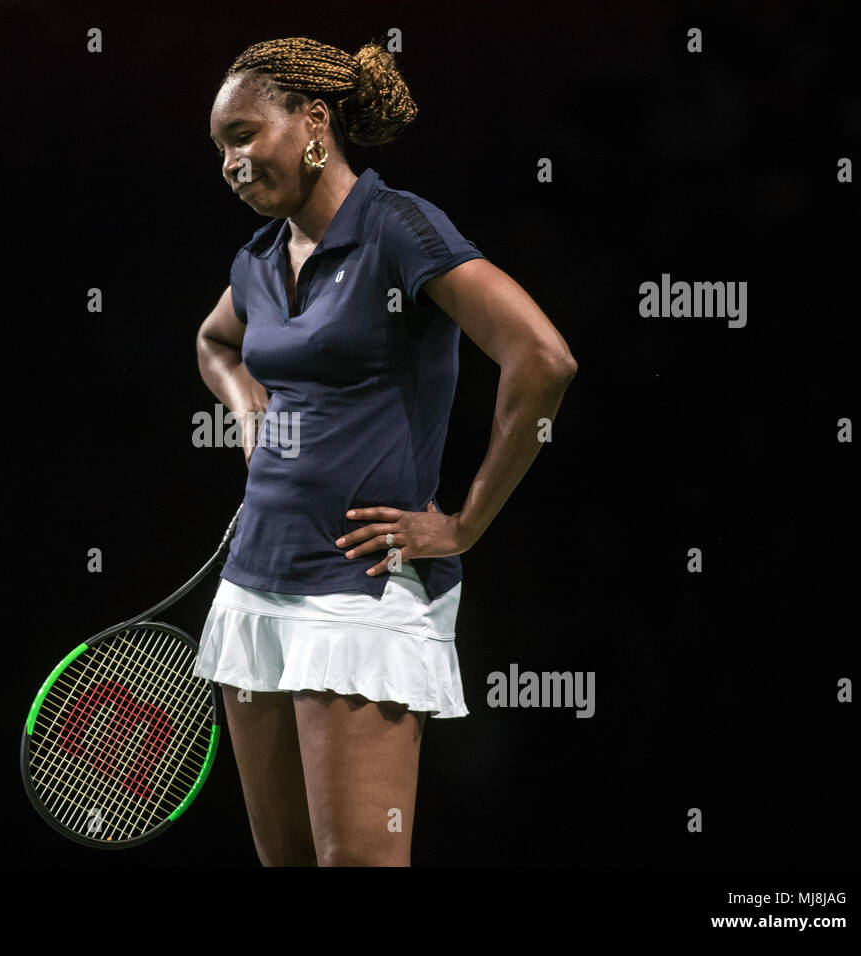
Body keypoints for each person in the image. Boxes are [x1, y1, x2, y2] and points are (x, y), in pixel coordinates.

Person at [195, 36, 577, 866]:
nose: (229, 162)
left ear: (314, 122)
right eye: (220, 147)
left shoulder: (396, 227)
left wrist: (464, 524)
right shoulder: (259, 261)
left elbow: (542, 360)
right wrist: (248, 411)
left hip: (358, 593)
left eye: (244, 134)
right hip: (254, 586)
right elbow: (214, 344)